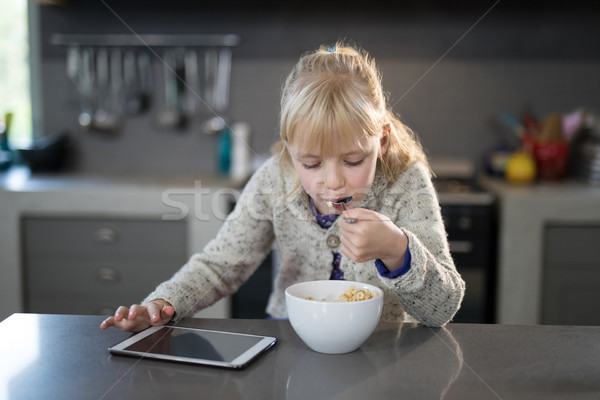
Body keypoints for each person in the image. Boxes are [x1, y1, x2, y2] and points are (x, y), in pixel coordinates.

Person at [100, 41, 465, 333]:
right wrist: (163, 304)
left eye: (353, 161)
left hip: (384, 352)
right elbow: (220, 265)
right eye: (311, 163)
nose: (333, 181)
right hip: (292, 341)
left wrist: (398, 251)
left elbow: (443, 308)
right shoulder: (275, 178)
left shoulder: (405, 182)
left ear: (381, 141)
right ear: (290, 150)